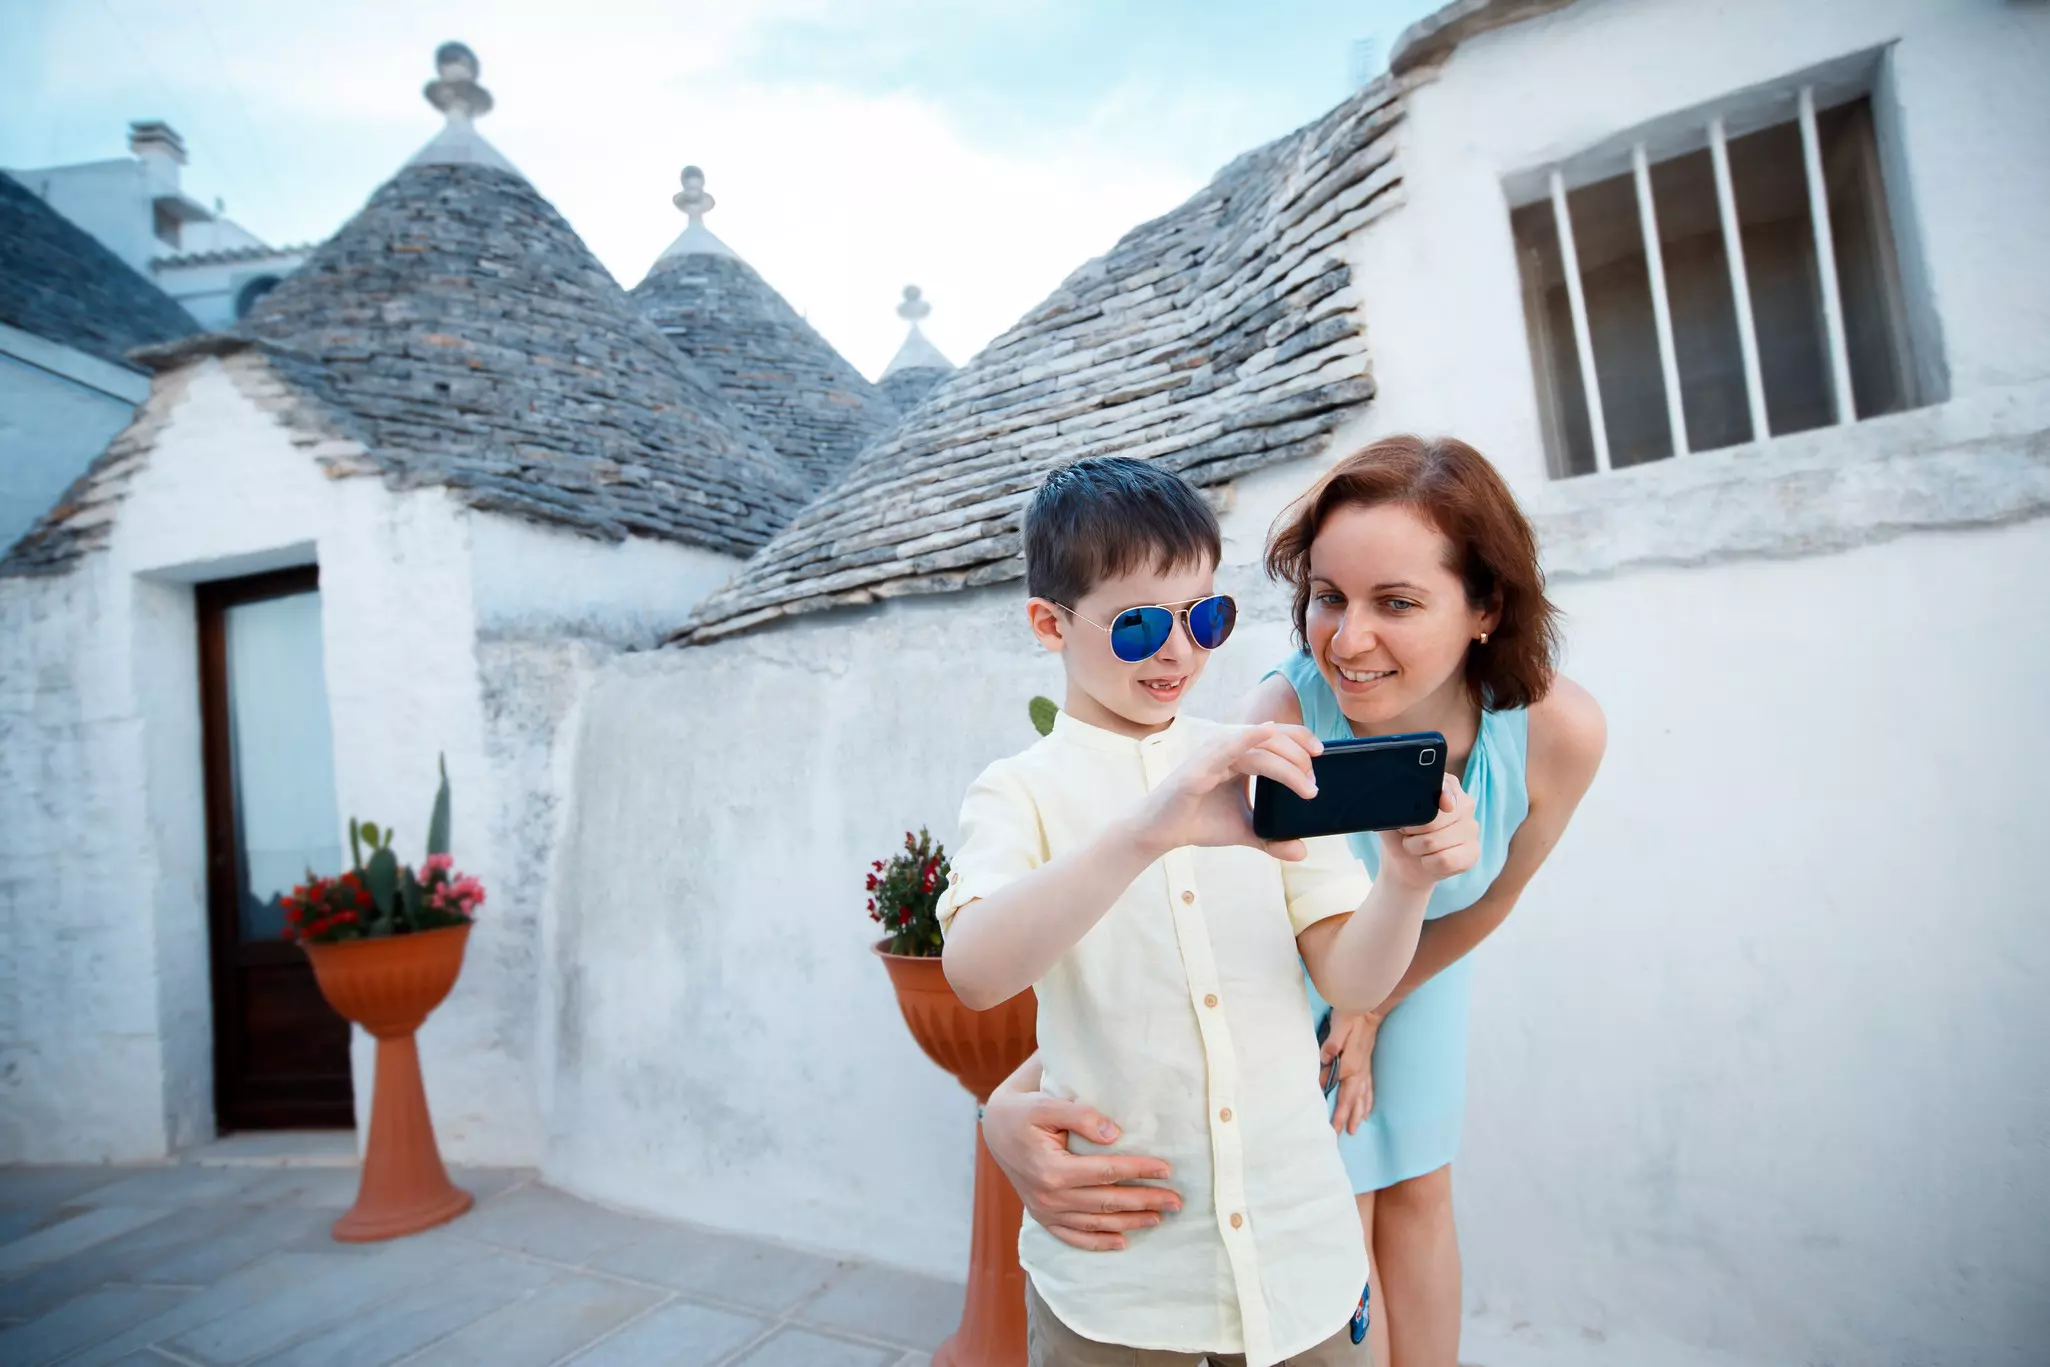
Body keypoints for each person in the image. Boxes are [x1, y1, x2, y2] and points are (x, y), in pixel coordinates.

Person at [979, 436, 1607, 1367]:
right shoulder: (1266, 726)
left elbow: (1488, 898)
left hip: (1413, 963)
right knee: (1333, 1206)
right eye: (1326, 597)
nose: (1346, 639)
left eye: (1396, 601)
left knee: (1423, 1192)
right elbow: (1167, 953)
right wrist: (1004, 1105)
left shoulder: (1561, 732)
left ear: (1485, 609)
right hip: (1293, 994)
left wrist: (1377, 997)